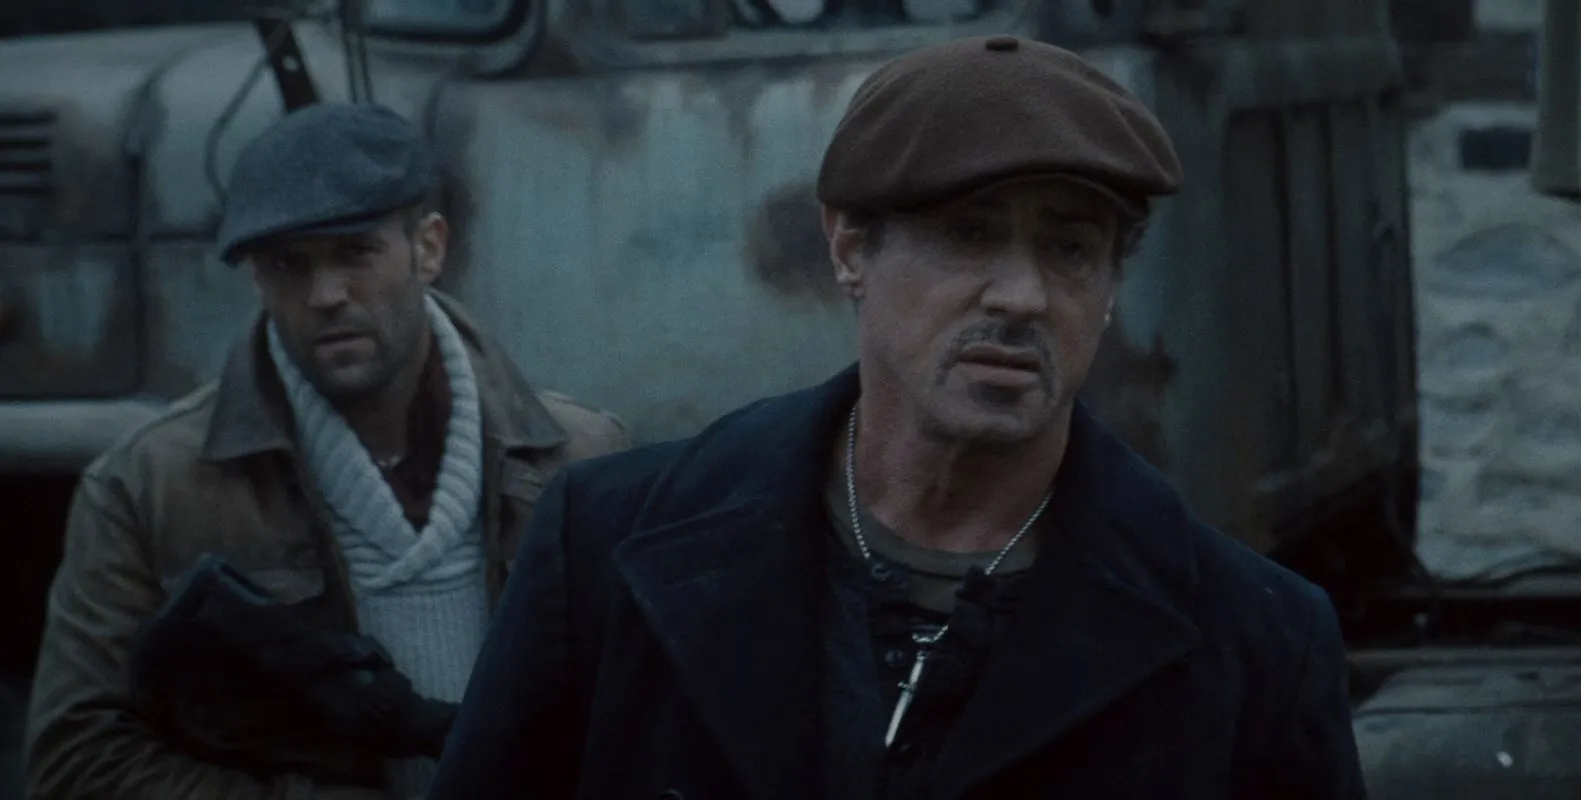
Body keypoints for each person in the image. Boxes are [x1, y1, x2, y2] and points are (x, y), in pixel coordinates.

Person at [431, 35, 1366, 799]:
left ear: (1112, 288)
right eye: (969, 233)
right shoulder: (607, 546)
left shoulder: (1254, 642)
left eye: (1071, 250)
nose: (1022, 295)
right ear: (849, 247)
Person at [23, 102, 630, 799]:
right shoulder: (149, 484)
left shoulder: (579, 458)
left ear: (428, 248)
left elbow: (652, 712)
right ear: (257, 279)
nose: (326, 294)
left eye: (356, 253)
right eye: (289, 265)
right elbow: (75, 760)